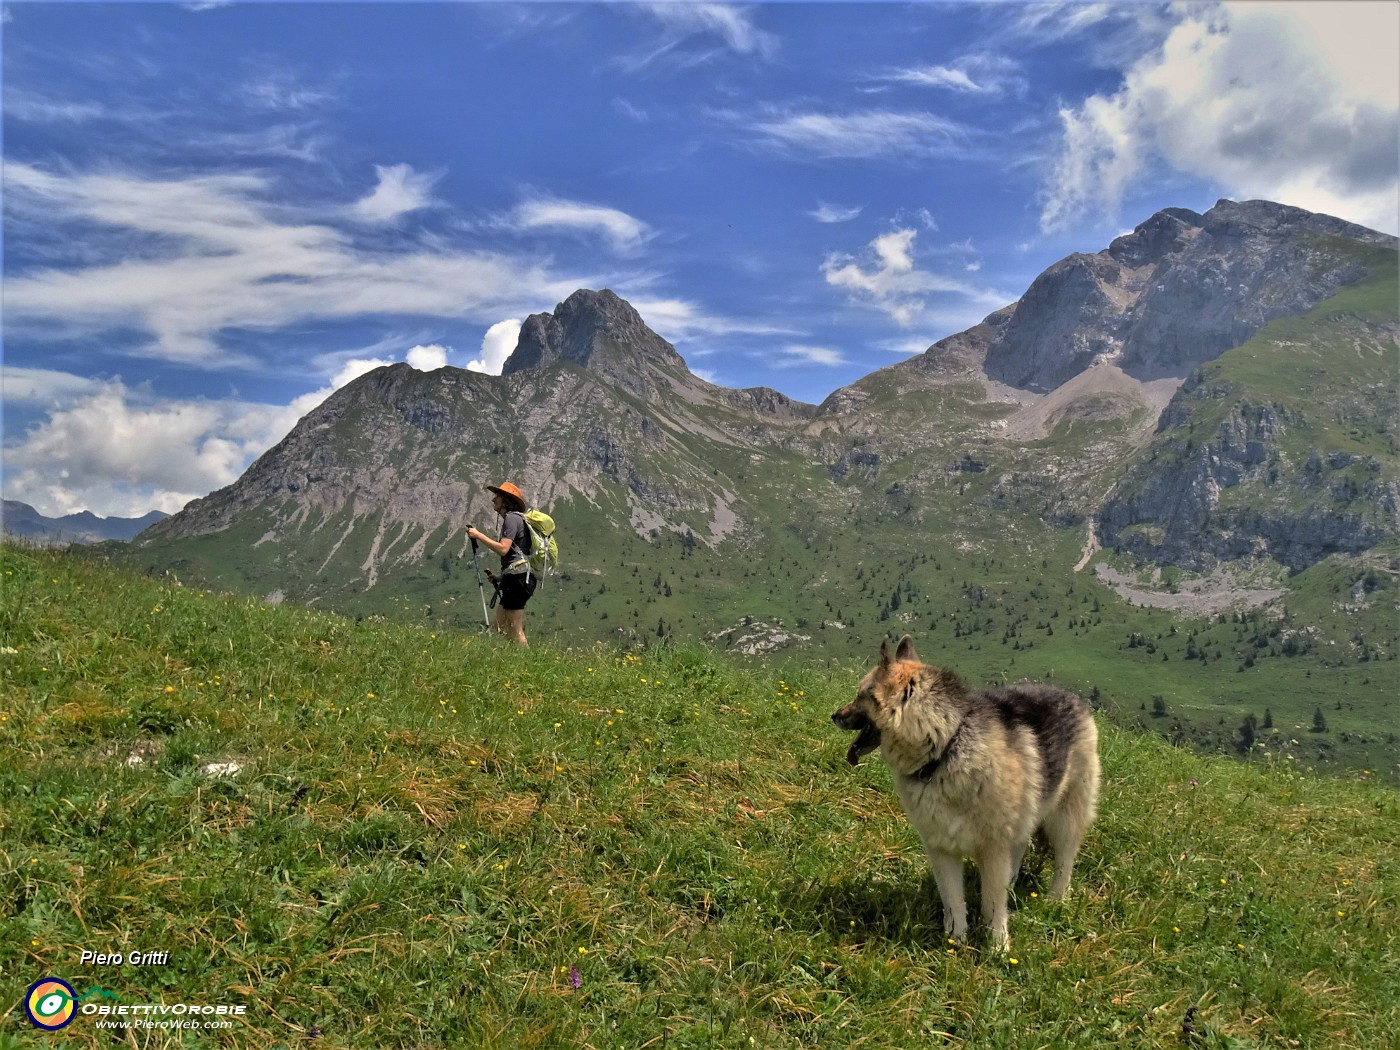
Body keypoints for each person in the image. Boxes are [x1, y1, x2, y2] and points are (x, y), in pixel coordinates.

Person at [466, 481, 537, 646]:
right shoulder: (515, 519)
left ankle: (526, 660)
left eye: (497, 496)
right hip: (516, 578)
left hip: (518, 578)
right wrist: (500, 578)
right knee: (499, 626)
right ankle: (514, 658)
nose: (493, 500)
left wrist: (478, 535)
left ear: (506, 500)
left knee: (514, 626)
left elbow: (504, 549)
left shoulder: (512, 519)